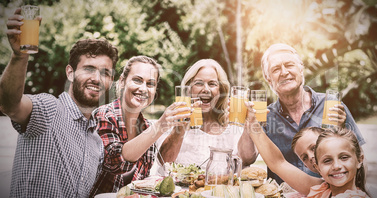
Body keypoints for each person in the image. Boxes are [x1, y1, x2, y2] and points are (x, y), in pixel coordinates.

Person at [0, 8, 119, 197]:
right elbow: (9, 104)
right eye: (89, 69)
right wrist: (19, 56)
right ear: (70, 73)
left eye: (105, 73)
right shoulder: (49, 109)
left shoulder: (96, 141)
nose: (97, 78)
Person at [238, 43, 365, 183]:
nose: (284, 72)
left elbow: (359, 159)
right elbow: (246, 158)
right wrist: (248, 124)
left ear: (301, 69)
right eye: (276, 69)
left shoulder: (332, 106)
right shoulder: (265, 115)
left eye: (289, 65)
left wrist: (342, 131)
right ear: (269, 80)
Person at [89, 56, 191, 196]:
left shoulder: (147, 126)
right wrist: (160, 126)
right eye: (137, 80)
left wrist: (180, 129)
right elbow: (115, 162)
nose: (143, 89)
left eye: (150, 84)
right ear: (122, 81)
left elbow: (164, 165)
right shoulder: (104, 115)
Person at [244, 107, 369, 197]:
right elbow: (278, 163)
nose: (336, 166)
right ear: (318, 167)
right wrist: (253, 124)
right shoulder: (322, 189)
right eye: (327, 160)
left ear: (359, 160)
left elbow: (279, 163)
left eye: (344, 157)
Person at [156, 59, 249, 171]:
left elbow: (246, 161)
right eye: (199, 83)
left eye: (212, 84)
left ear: (221, 91)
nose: (206, 89)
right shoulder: (172, 119)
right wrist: (180, 127)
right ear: (189, 89)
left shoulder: (233, 125)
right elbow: (164, 162)